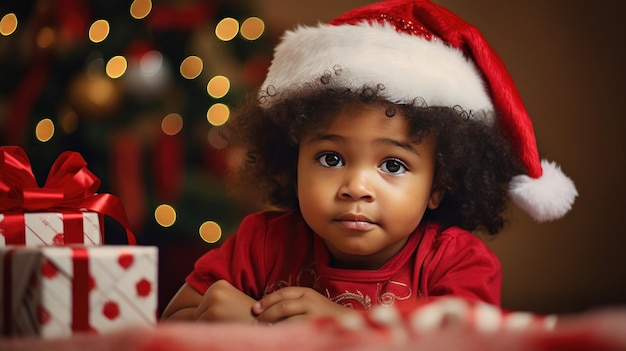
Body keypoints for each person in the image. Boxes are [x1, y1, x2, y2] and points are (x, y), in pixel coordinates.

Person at [161, 0, 577, 324]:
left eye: (392, 165)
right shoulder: (262, 244)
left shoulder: (455, 262)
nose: (356, 186)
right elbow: (170, 323)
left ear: (439, 185)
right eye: (330, 157)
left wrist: (343, 327)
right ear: (293, 161)